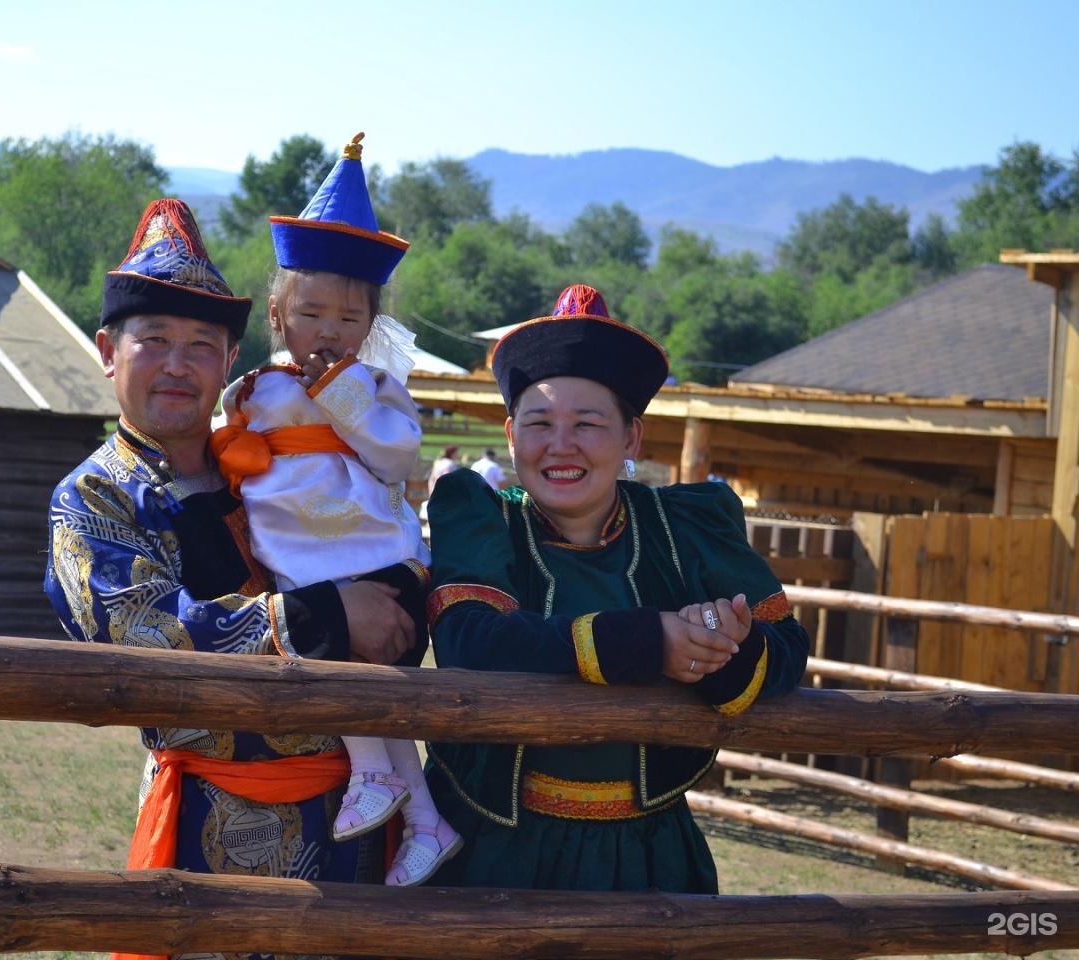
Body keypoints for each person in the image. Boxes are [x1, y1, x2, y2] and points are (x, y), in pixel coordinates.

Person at [44, 197, 417, 960]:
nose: (179, 365)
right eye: (154, 341)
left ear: (231, 360)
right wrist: (331, 615)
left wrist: (405, 589)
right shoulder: (93, 497)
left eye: (201, 345)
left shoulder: (271, 460)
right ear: (107, 350)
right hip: (209, 816)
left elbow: (376, 536)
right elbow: (144, 631)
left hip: (354, 802)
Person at [422, 283, 810, 893]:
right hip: (493, 847)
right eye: (540, 423)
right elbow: (470, 641)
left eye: (588, 424)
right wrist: (648, 641)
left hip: (648, 856)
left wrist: (721, 651)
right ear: (510, 433)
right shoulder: (483, 519)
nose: (560, 445)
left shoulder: (686, 525)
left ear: (631, 438)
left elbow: (786, 646)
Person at [212, 133, 460, 887]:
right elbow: (233, 451)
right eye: (312, 313)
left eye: (349, 320)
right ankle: (425, 818)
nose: (329, 331)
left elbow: (393, 455)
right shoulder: (258, 387)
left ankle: (376, 780)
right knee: (351, 668)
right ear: (280, 315)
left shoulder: (376, 390)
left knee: (356, 668)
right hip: (295, 555)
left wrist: (341, 395)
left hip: (364, 552)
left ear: (370, 327)